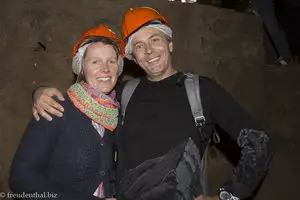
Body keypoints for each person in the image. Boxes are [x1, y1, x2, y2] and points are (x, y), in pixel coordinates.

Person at [31, 7, 273, 200]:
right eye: (139, 46)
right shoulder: (123, 92)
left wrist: (228, 196)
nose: (148, 51)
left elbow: (259, 143)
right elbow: (84, 97)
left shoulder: (201, 90)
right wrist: (39, 92)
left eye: (155, 40)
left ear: (169, 44)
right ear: (133, 57)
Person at [9, 24, 125, 200]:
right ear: (81, 68)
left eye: (111, 61)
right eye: (95, 61)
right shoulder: (56, 108)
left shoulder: (115, 114)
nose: (106, 68)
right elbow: (21, 179)